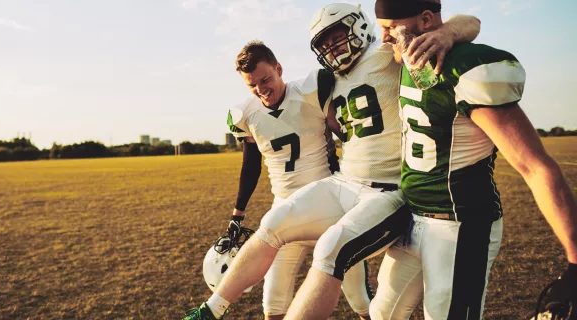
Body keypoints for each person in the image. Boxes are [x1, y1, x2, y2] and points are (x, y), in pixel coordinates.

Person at [181, 3, 482, 320]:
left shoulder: (386, 51)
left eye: (337, 38)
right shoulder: (324, 79)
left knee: (330, 250)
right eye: (324, 45)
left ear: (359, 27)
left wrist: (447, 31)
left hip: (389, 190)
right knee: (273, 223)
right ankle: (210, 311)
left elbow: (471, 22)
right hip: (345, 183)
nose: (333, 49)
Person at [358, 0, 577, 318]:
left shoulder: (464, 66)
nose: (385, 38)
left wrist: (574, 260)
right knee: (383, 313)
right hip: (414, 219)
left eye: (391, 28)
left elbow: (534, 165)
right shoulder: (407, 55)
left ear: (426, 20)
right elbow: (469, 20)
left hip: (460, 225)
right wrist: (450, 30)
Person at [222, 40, 371, 320]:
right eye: (252, 85)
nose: (261, 89)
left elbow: (348, 136)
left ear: (279, 68)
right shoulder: (246, 114)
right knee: (273, 307)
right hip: (285, 212)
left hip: (331, 207)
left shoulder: (312, 90)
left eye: (265, 79)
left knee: (362, 302)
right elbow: (251, 165)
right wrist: (238, 212)